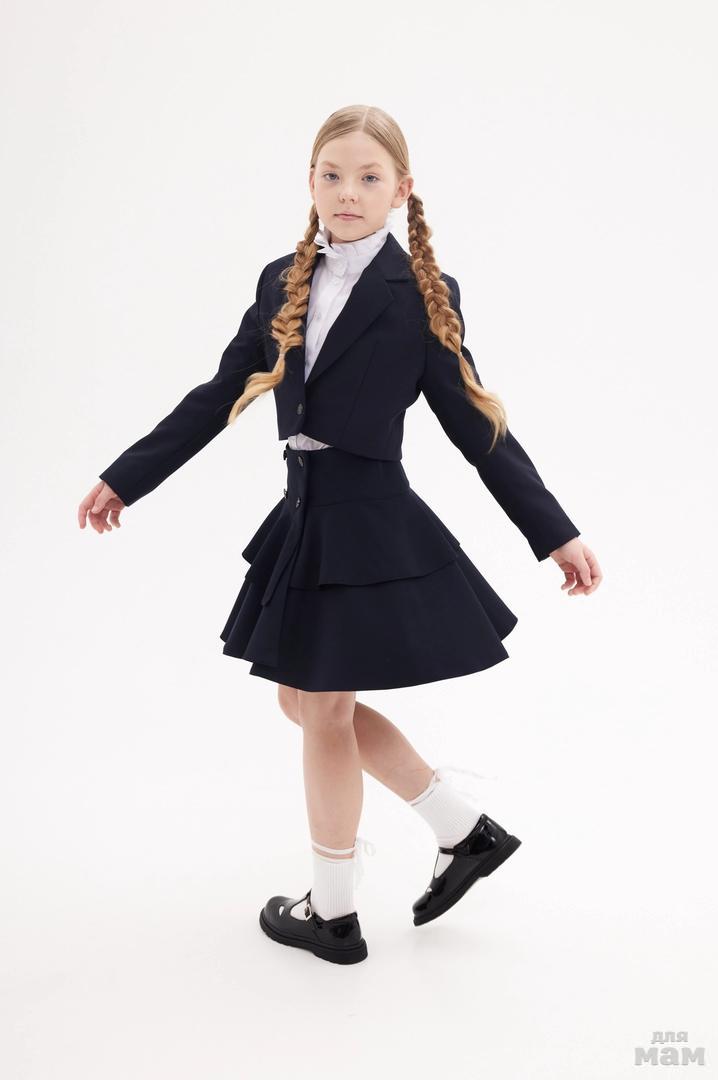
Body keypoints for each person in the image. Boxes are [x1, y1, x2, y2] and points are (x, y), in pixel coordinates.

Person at [78, 104, 602, 966]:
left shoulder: (422, 294)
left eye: (368, 177)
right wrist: (127, 475)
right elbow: (221, 393)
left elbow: (476, 424)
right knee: (305, 703)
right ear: (311, 183)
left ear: (401, 190)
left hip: (370, 521)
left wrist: (555, 533)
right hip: (303, 515)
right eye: (332, 175)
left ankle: (332, 912)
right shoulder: (280, 279)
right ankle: (462, 830)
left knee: (321, 707)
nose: (347, 192)